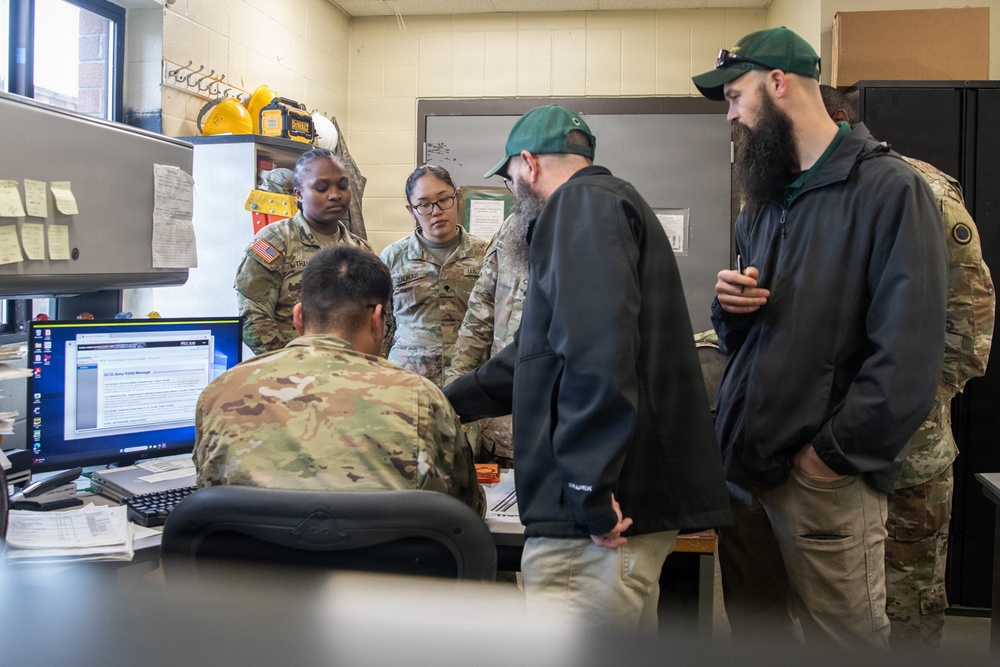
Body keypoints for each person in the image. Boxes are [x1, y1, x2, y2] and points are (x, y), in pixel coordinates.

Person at [692, 27, 947, 649]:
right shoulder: (767, 199)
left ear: (779, 84)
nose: (730, 115)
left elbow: (908, 356)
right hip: (746, 472)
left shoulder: (889, 189)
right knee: (757, 642)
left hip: (821, 483)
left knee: (846, 647)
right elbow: (749, 342)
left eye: (735, 96)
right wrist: (733, 309)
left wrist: (829, 460)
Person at [444, 104, 731, 633]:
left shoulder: (578, 208)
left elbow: (598, 353)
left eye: (509, 176)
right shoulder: (603, 206)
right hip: (615, 511)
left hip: (596, 527)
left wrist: (588, 491)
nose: (512, 190)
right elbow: (537, 357)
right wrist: (442, 400)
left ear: (527, 163)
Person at [821, 84, 995, 648]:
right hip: (829, 435)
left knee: (908, 594)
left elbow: (971, 317)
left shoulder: (919, 188)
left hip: (908, 442)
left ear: (840, 119)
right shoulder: (813, 188)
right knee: (835, 602)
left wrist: (919, 398)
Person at [196, 245, 483, 515]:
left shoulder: (220, 394)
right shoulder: (421, 397)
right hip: (383, 566)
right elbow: (464, 509)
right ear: (377, 319)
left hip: (252, 567)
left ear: (298, 318)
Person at [236, 148, 373, 355]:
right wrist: (286, 364)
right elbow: (253, 315)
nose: (335, 195)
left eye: (343, 186)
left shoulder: (361, 251)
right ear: (298, 194)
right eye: (321, 188)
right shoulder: (275, 242)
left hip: (350, 371)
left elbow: (381, 316)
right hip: (293, 374)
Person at [380, 165, 488, 386]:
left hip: (470, 381)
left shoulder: (485, 254)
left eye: (443, 200)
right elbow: (382, 326)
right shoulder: (393, 257)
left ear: (457, 197)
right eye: (424, 205)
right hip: (409, 382)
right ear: (411, 210)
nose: (436, 211)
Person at [443, 211, 530, 466]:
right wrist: (455, 385)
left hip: (555, 430)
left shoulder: (591, 229)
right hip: (500, 430)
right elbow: (480, 312)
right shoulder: (513, 226)